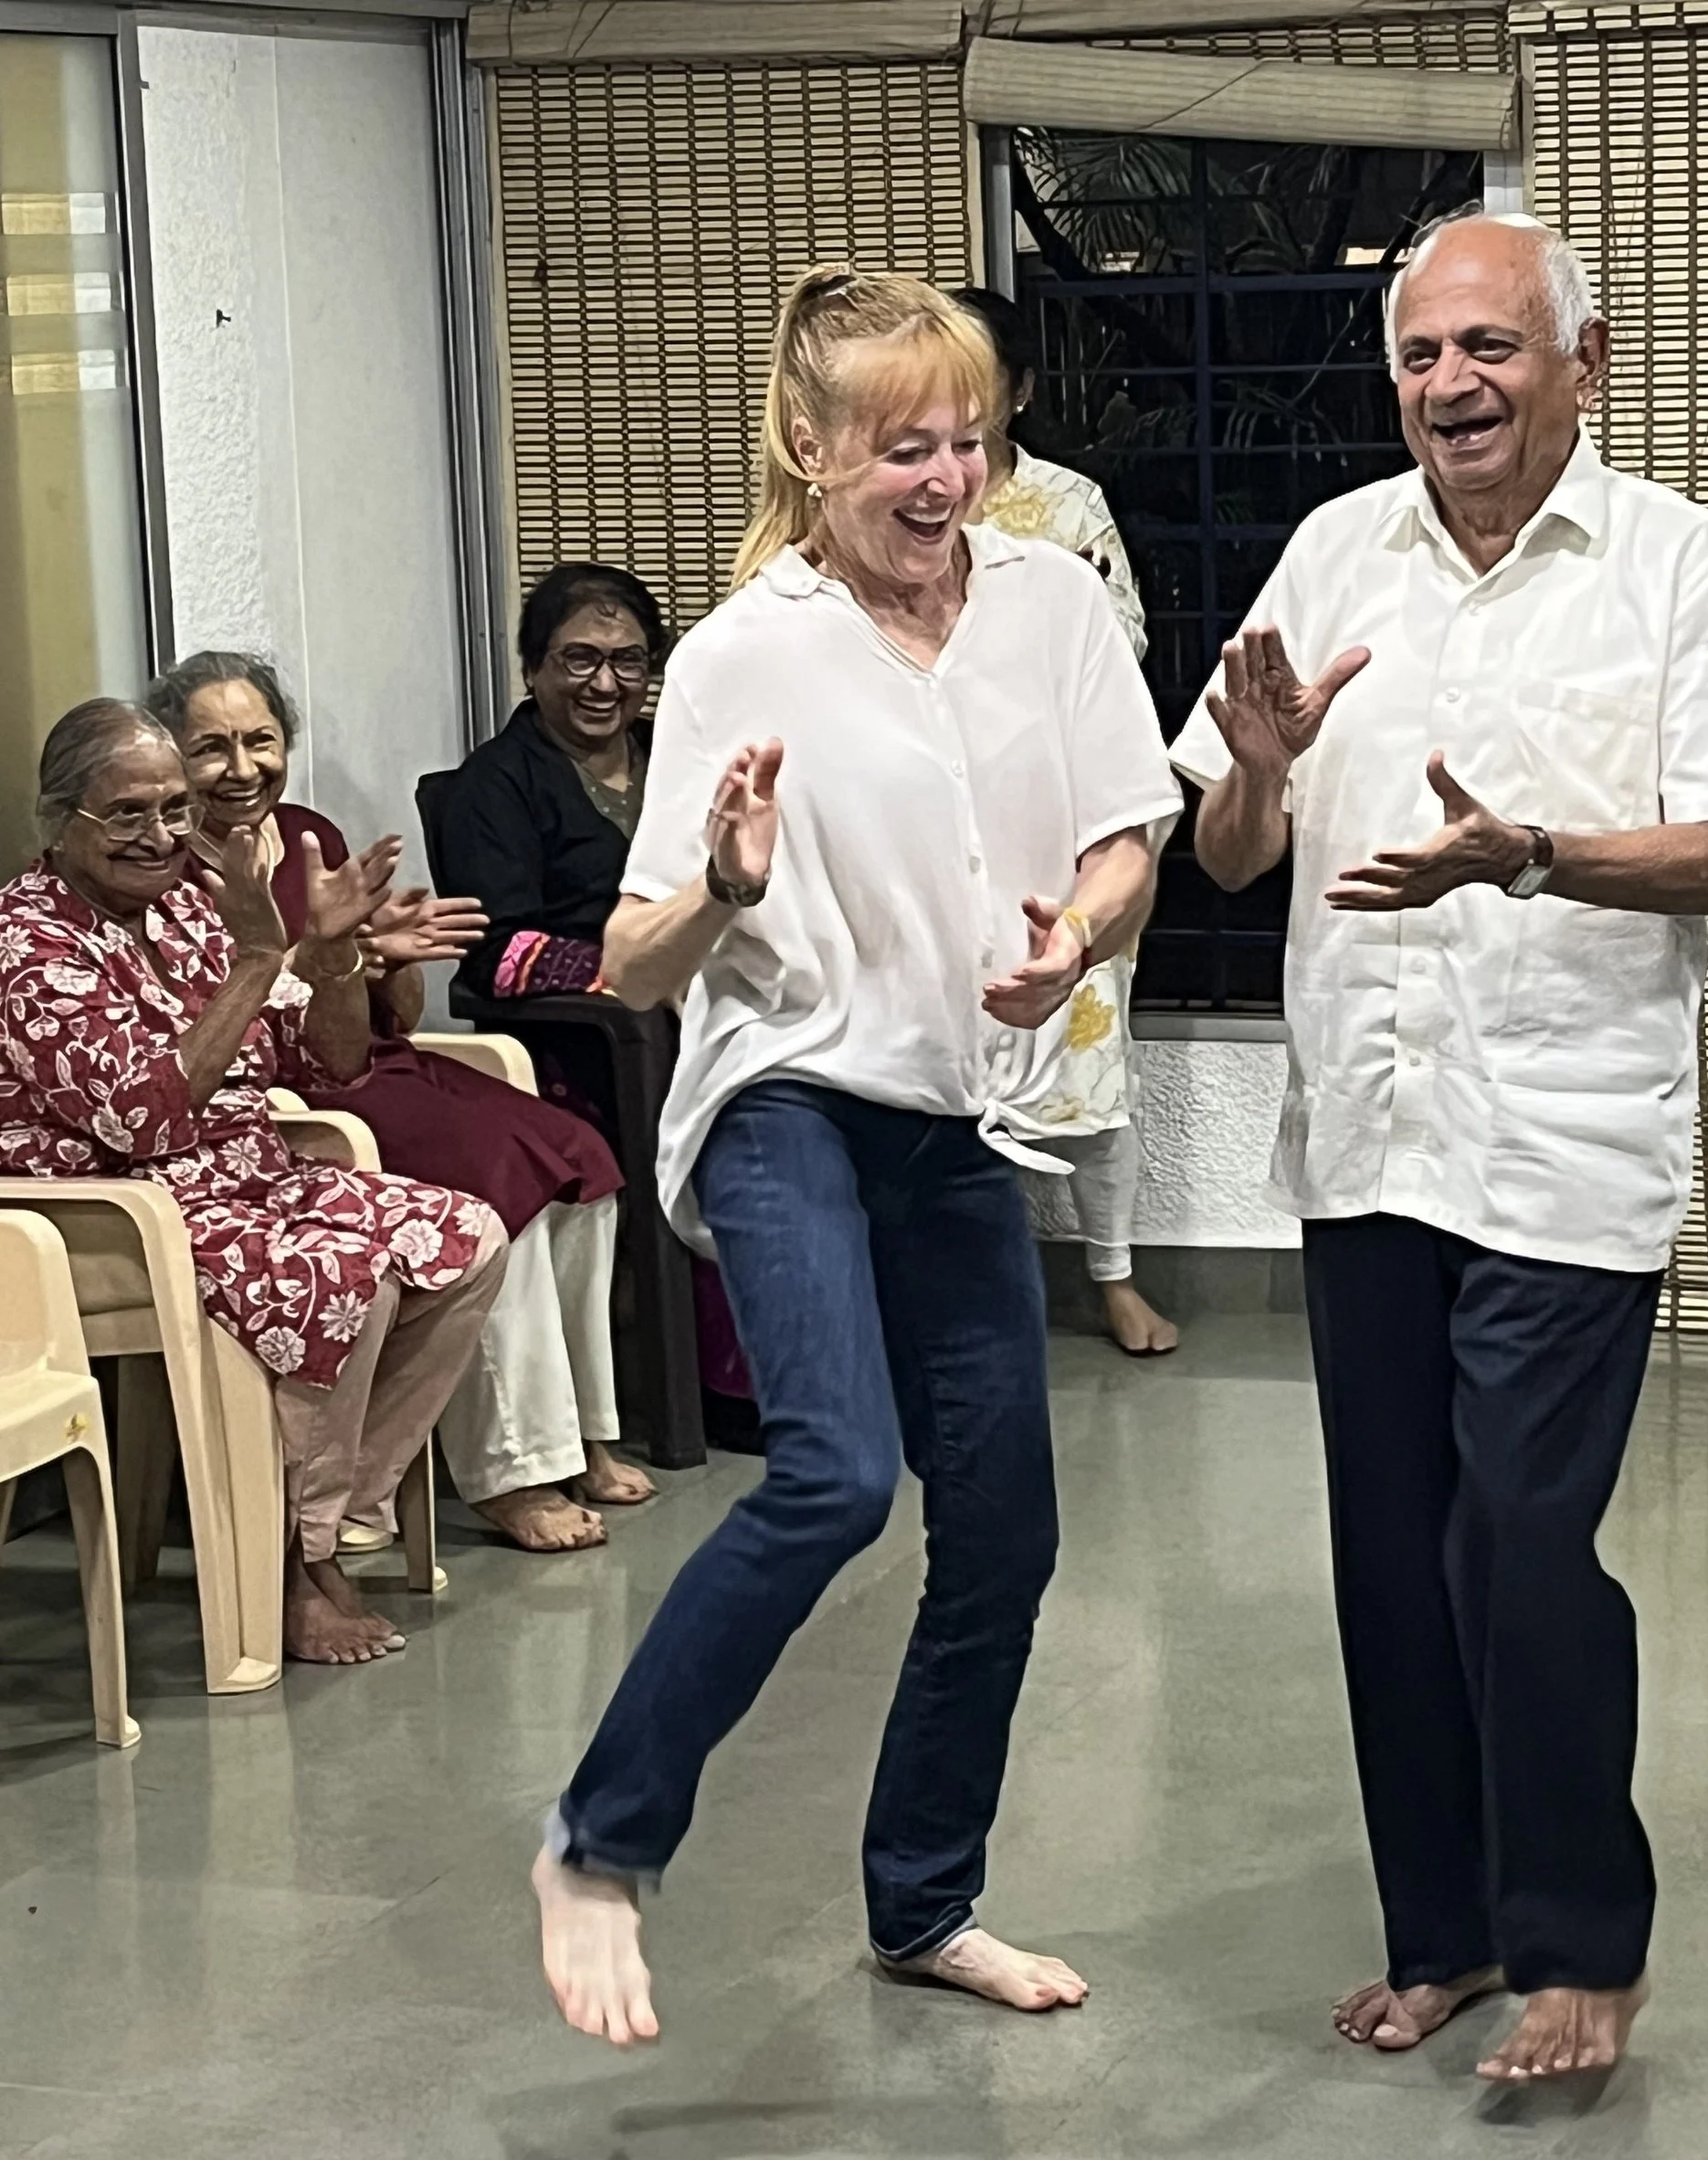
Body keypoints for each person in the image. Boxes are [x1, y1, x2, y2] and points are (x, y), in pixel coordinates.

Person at [1168, 210, 1708, 2082]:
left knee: (1518, 1544)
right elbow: (1223, 852)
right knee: (1388, 1554)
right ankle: (1440, 1928)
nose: (1447, 385)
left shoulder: (1675, 569)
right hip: (1366, 1137)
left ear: (1578, 364)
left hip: (1564, 1139)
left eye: (1489, 349)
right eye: (1419, 355)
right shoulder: (1324, 554)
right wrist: (1269, 771)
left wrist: (1524, 850)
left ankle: (1582, 1945)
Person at [529, 264, 1182, 2046]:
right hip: (783, 1098)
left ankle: (921, 1904)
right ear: (810, 448)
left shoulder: (1047, 605)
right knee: (832, 1474)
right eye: (903, 445)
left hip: (951, 1116)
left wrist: (1077, 940)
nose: (943, 478)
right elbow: (632, 957)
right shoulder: (746, 650)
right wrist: (729, 884)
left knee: (1006, 1532)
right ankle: (597, 1843)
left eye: (966, 440)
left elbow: (1131, 835)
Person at [0, 701, 508, 1665]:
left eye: (175, 811)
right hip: (113, 1216)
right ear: (60, 821)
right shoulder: (27, 945)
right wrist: (261, 959)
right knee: (342, 1270)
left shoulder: (194, 904)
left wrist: (330, 958)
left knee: (465, 1236)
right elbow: (140, 1115)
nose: (160, 837)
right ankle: (291, 1570)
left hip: (245, 1180)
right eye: (128, 815)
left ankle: (329, 1528)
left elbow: (329, 1068)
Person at [147, 650, 651, 1554]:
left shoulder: (306, 832)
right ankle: (512, 1468)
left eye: (260, 741)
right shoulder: (164, 863)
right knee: (506, 1186)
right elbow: (224, 1025)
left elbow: (392, 1014)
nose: (241, 768)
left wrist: (387, 957)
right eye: (210, 748)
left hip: (374, 1061)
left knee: (579, 1154)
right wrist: (323, 960)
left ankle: (585, 1433)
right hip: (291, 1092)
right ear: (171, 760)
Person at [439, 563, 755, 1436]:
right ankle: (722, 1386)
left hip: (701, 1002)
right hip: (580, 1043)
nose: (606, 683)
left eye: (629, 659)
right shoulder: (493, 785)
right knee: (733, 1116)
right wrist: (636, 974)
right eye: (579, 660)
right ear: (532, 667)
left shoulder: (680, 755)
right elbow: (498, 952)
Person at [954, 283, 1176, 1355]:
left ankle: (1113, 1274)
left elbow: (1122, 647)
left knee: (1090, 1049)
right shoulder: (891, 498)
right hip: (939, 825)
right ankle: (974, 1284)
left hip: (1055, 817)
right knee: (951, 1052)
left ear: (1021, 392)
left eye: (978, 383)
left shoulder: (1069, 502)